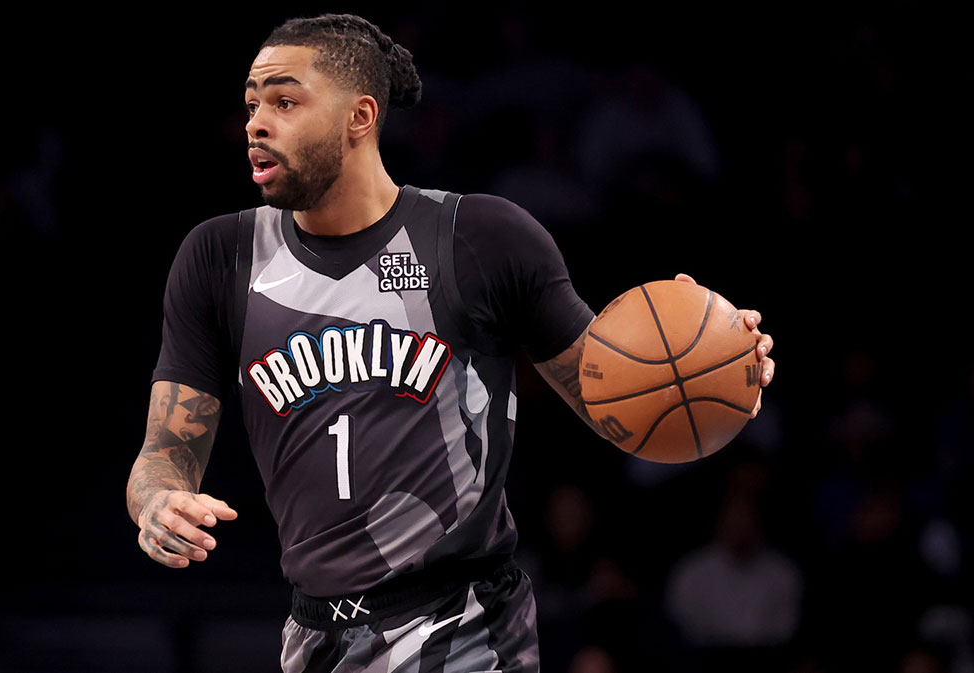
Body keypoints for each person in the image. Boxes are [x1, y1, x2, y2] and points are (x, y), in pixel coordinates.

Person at [125, 13, 775, 673]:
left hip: (463, 629)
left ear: (360, 116)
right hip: (315, 634)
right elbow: (168, 447)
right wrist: (156, 499)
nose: (256, 122)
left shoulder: (480, 237)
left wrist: (704, 367)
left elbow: (612, 397)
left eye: (285, 101)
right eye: (251, 103)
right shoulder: (218, 257)